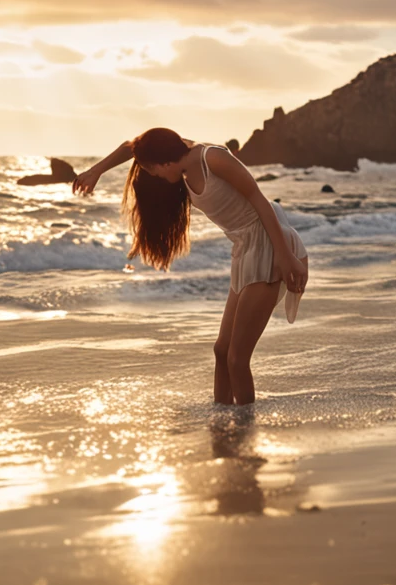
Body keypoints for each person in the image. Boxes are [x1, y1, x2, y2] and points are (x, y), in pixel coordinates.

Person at [73, 128, 308, 405]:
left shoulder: (213, 159)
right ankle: (222, 419)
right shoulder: (176, 151)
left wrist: (284, 256)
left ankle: (244, 427)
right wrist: (95, 171)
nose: (157, 178)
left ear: (165, 162)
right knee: (222, 351)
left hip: (268, 245)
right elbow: (131, 147)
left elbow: (260, 201)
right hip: (244, 250)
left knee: (237, 358)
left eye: (156, 172)